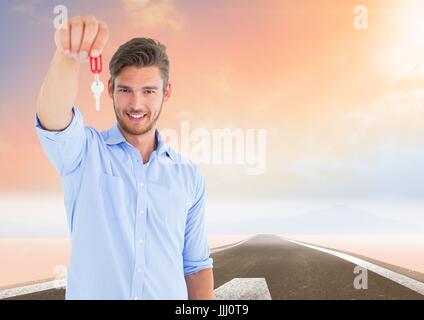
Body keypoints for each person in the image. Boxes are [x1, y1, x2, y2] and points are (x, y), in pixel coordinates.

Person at [35, 15, 214, 300]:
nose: (136, 104)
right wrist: (67, 56)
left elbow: (195, 267)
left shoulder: (188, 175)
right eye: (125, 90)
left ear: (166, 93)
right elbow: (54, 118)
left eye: (149, 91)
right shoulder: (84, 154)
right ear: (109, 90)